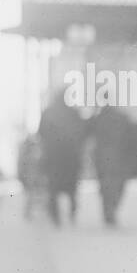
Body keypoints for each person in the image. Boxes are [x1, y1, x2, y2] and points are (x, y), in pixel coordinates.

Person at [36, 90, 87, 226]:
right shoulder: (73, 113)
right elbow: (82, 133)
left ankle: (56, 217)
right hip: (70, 158)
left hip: (53, 158)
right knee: (71, 189)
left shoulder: (48, 113)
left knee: (53, 188)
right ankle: (72, 213)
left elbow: (40, 134)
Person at [87, 106, 137, 226]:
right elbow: (133, 138)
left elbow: (86, 132)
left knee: (105, 185)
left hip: (102, 157)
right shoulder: (122, 117)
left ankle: (108, 210)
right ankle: (112, 208)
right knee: (118, 184)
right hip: (120, 157)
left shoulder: (97, 118)